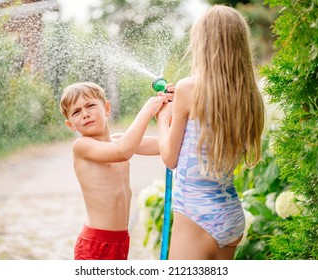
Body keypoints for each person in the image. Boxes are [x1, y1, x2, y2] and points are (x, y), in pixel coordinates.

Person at [156, 5, 265, 260]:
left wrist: (163, 119)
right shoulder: (249, 95)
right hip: (231, 216)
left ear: (203, 44)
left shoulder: (188, 88)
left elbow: (170, 158)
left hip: (197, 214)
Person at [59, 82, 170, 260]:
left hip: (121, 240)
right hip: (96, 244)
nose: (85, 114)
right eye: (76, 112)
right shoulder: (82, 146)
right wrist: (147, 111)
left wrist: (172, 104)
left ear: (107, 108)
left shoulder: (119, 140)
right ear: (70, 124)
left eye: (90, 105)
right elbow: (122, 152)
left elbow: (164, 144)